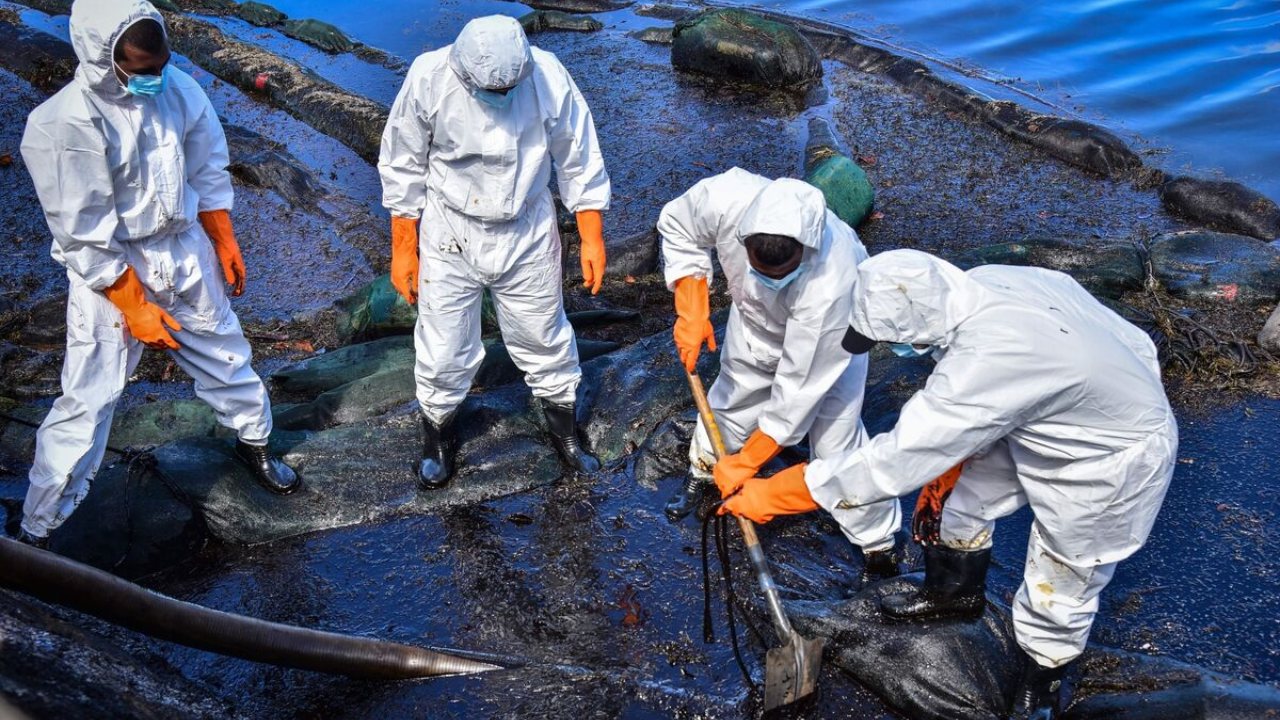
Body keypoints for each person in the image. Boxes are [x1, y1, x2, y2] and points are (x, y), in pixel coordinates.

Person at [720, 249, 1178, 719]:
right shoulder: (986, 282)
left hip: (1109, 455)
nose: (890, 350)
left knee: (1063, 573)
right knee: (955, 499)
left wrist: (779, 493)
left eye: (890, 340)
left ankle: (1043, 676)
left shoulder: (987, 362)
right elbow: (1131, 339)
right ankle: (953, 593)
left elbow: (893, 463)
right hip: (1046, 402)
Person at [14, 0, 300, 549]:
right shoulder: (63, 124)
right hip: (114, 269)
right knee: (89, 399)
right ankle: (39, 527)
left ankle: (255, 442)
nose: (155, 79)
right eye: (141, 70)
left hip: (183, 245)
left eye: (160, 65)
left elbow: (206, 167)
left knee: (224, 352)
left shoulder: (179, 90)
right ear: (104, 59)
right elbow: (84, 233)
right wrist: (136, 306)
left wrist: (223, 239)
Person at [379, 15, 611, 489]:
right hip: (452, 228)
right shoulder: (429, 76)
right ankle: (437, 436)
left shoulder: (547, 75)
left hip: (526, 225)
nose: (499, 98)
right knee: (444, 345)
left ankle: (564, 431)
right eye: (489, 90)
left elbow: (578, 155)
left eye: (508, 89)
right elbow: (402, 162)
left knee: (544, 334)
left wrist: (591, 235)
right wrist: (404, 249)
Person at [658, 168, 904, 583]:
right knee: (731, 401)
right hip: (755, 327)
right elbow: (679, 222)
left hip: (833, 346)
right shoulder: (728, 198)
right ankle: (703, 474)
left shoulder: (834, 282)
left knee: (835, 440)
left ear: (805, 251)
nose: (770, 278)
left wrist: (750, 463)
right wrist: (691, 298)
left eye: (783, 271)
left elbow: (797, 395)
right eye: (758, 265)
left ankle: (877, 543)